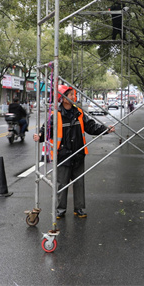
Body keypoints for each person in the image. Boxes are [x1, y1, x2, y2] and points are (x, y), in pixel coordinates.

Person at [33, 85, 115, 219]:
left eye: (73, 94)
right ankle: (60, 210)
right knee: (62, 183)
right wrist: (40, 136)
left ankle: (79, 208)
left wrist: (106, 129)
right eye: (70, 94)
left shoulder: (79, 113)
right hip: (63, 155)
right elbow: (46, 130)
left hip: (78, 153)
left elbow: (91, 127)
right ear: (63, 98)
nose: (73, 97)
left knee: (79, 183)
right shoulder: (56, 115)